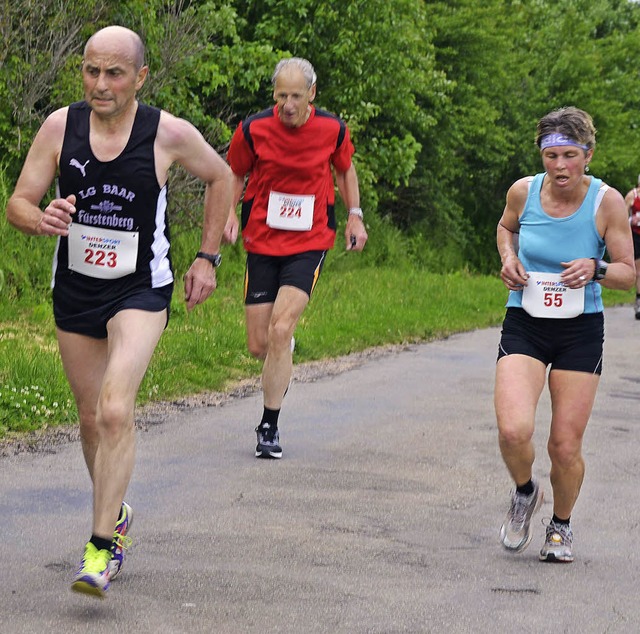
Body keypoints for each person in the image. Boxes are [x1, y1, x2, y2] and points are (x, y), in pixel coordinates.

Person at [6, 25, 232, 597]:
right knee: (89, 420)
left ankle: (102, 547)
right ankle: (117, 511)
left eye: (114, 73)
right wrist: (42, 218)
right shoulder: (61, 126)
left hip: (140, 289)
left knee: (114, 408)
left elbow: (221, 175)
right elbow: (19, 202)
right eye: (90, 70)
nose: (99, 84)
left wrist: (207, 256)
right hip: (76, 289)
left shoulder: (168, 134)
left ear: (140, 77)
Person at [494, 106, 634, 563]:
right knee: (514, 430)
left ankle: (561, 525)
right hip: (526, 321)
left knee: (564, 445)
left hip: (580, 330)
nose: (559, 167)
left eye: (569, 155)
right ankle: (524, 492)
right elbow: (504, 229)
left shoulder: (607, 202)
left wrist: (595, 268)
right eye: (550, 155)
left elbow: (627, 274)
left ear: (587, 155)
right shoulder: (523, 192)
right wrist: (509, 258)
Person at [224, 57, 368, 459]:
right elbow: (235, 173)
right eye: (281, 95)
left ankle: (268, 424)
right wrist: (229, 214)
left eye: (296, 96)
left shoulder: (332, 129)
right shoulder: (252, 129)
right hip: (262, 241)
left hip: (309, 240)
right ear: (274, 94)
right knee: (260, 344)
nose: (288, 104)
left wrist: (354, 218)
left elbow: (345, 171)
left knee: (280, 327)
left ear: (312, 94)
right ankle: (280, 347)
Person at [623, 176, 640, 318]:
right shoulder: (632, 195)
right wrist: (631, 219)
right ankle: (639, 300)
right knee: (638, 269)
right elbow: (620, 217)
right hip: (636, 235)